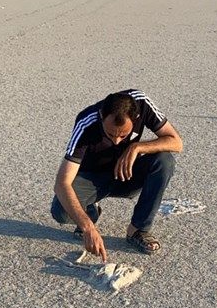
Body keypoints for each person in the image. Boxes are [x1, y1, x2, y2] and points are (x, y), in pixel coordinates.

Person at [51, 89, 183, 261]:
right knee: (61, 212)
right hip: (93, 179)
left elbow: (176, 142)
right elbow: (62, 183)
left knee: (165, 161)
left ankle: (138, 230)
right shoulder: (86, 122)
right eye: (111, 134)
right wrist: (87, 227)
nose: (116, 141)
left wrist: (136, 147)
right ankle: (90, 211)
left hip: (126, 174)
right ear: (101, 116)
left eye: (124, 135)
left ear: (136, 118)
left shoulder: (142, 103)